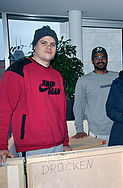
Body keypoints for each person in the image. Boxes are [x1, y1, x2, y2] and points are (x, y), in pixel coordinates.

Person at [0, 26, 71, 165]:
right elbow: (3, 110)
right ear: (34, 46)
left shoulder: (57, 76)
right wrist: (2, 145)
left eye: (53, 44)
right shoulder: (18, 70)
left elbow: (61, 112)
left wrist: (65, 141)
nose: (49, 47)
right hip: (32, 148)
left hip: (57, 145)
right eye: (43, 43)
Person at [72, 47, 117, 146]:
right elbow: (79, 107)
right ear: (92, 60)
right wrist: (79, 130)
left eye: (103, 57)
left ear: (107, 59)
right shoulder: (84, 81)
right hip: (96, 133)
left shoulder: (117, 77)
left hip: (118, 130)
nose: (100, 60)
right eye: (97, 58)